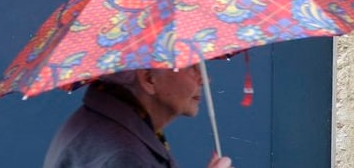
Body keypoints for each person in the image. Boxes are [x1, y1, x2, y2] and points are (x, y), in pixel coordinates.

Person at [43, 65, 234, 168]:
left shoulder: (100, 122)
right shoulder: (124, 156)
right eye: (190, 66)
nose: (205, 78)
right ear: (149, 78)